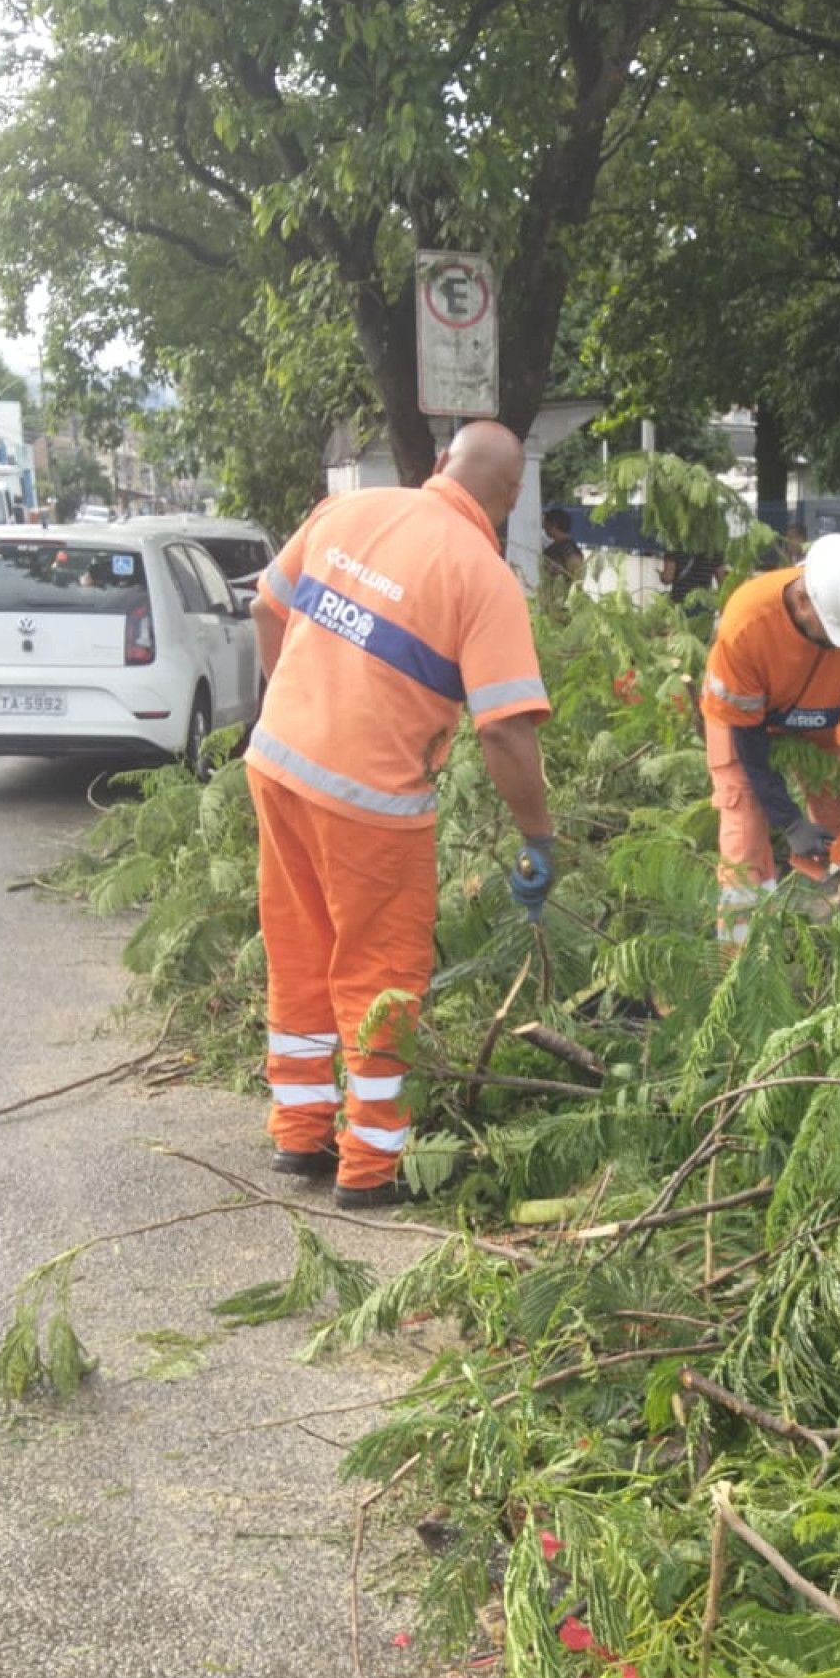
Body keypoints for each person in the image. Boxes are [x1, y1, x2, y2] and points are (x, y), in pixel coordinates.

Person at [246, 420, 556, 1206]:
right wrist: (538, 836)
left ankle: (299, 1133)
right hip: (369, 803)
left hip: (276, 766)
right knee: (380, 977)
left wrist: (300, 706)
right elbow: (506, 730)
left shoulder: (344, 511)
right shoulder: (481, 576)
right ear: (512, 498)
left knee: (300, 948)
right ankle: (369, 1169)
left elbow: (264, 609)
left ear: (441, 463)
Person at [700, 531, 840, 942]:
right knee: (744, 832)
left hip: (823, 714)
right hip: (741, 723)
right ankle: (740, 961)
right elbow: (749, 743)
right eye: (833, 633)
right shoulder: (747, 620)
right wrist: (789, 820)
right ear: (802, 601)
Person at [540, 505, 585, 585]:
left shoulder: (569, 549)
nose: (543, 527)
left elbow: (576, 577)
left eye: (545, 524)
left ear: (554, 524)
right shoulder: (565, 546)